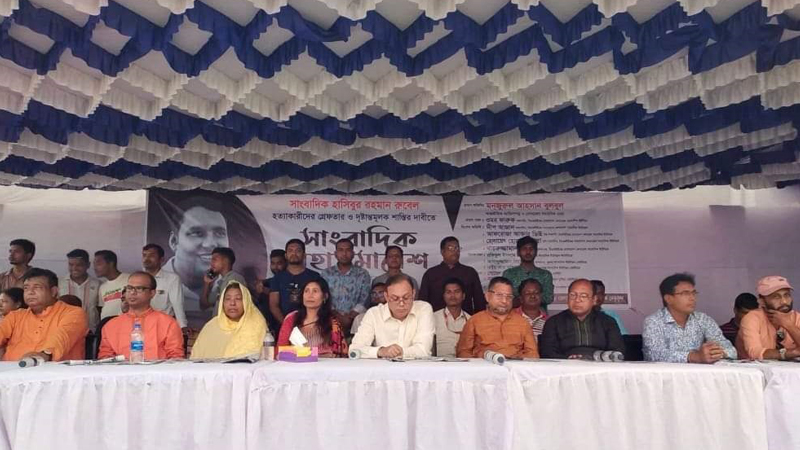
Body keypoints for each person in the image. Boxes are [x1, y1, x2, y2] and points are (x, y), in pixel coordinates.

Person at [643, 273, 736, 363]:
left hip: (701, 373)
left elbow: (731, 351)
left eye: (694, 293)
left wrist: (716, 353)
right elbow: (654, 355)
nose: (692, 298)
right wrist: (694, 357)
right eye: (685, 293)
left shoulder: (703, 319)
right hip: (667, 373)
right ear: (668, 299)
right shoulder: (653, 322)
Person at [0, 268, 88, 361]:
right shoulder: (15, 316)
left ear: (53, 291)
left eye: (37, 287)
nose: (30, 292)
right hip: (12, 368)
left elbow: (62, 338)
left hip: (55, 369)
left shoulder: (73, 313)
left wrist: (44, 354)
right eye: (26, 288)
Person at [162, 198, 230, 311]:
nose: (210, 244)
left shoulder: (235, 286)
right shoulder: (151, 285)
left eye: (220, 233)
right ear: (174, 241)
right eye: (197, 233)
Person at [98, 272, 184, 360]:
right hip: (121, 369)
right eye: (129, 288)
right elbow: (105, 359)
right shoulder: (110, 326)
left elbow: (176, 358)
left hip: (158, 369)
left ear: (152, 293)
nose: (132, 292)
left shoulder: (168, 323)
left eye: (139, 288)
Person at [351, 274, 434, 359]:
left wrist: (402, 352)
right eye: (395, 298)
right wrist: (381, 351)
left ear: (413, 294)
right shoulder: (374, 314)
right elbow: (354, 350)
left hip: (416, 367)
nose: (401, 303)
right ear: (386, 297)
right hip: (383, 367)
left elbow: (424, 350)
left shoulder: (423, 309)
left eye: (406, 297)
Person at [539, 278, 625, 359]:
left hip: (600, 366)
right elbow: (547, 352)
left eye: (583, 296)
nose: (577, 300)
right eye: (573, 295)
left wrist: (596, 359)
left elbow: (617, 351)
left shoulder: (608, 321)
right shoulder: (553, 322)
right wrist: (568, 360)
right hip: (564, 367)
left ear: (594, 300)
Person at [457, 277, 538, 359]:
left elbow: (533, 354)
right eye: (499, 295)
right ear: (487, 296)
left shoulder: (522, 323)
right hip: (484, 365)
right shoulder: (475, 321)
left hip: (515, 366)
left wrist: (514, 360)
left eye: (509, 296)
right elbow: (463, 352)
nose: (504, 301)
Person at [191, 281, 268, 359]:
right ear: (222, 302)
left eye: (238, 298)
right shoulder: (211, 326)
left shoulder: (256, 325)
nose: (232, 303)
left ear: (246, 301)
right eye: (228, 299)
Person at [277, 278, 348, 358]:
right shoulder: (291, 318)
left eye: (315, 291)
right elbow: (280, 351)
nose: (310, 295)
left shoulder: (332, 322)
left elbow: (341, 354)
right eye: (306, 291)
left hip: (325, 365)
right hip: (296, 364)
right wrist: (311, 353)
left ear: (325, 296)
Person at [737, 276, 800, 360]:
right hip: (755, 368)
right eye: (776, 297)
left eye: (787, 295)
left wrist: (788, 325)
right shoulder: (751, 318)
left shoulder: (797, 317)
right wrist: (792, 352)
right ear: (761, 301)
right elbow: (754, 353)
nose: (784, 301)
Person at [418, 237, 486, 314]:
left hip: (466, 319)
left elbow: (479, 301)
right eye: (450, 248)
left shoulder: (470, 272)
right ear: (442, 252)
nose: (454, 251)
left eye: (457, 248)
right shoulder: (430, 274)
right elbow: (423, 303)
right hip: (437, 319)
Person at [321, 239, 371, 331]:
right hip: (330, 321)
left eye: (348, 250)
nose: (344, 254)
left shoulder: (363, 274)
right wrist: (337, 316)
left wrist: (351, 317)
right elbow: (322, 297)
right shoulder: (326, 274)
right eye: (341, 250)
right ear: (335, 254)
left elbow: (365, 298)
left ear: (353, 253)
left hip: (356, 322)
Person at [269, 239, 320, 323]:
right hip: (283, 324)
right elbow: (273, 305)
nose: (294, 254)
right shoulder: (277, 278)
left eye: (298, 251)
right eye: (290, 251)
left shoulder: (314, 276)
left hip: (310, 324)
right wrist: (286, 325)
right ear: (286, 255)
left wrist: (309, 324)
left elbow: (318, 303)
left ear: (304, 255)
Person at [142, 244, 188, 331]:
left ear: (161, 259)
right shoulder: (137, 279)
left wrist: (182, 326)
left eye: (151, 255)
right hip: (140, 326)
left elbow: (177, 304)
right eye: (144, 255)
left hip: (163, 326)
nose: (146, 259)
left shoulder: (172, 279)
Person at [502, 237, 553, 310]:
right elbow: (506, 298)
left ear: (536, 252)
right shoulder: (509, 274)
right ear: (518, 252)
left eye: (531, 249)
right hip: (515, 315)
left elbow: (549, 298)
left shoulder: (545, 275)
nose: (528, 252)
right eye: (524, 249)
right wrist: (534, 297)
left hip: (539, 315)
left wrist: (523, 298)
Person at [60, 249, 101, 333]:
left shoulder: (98, 285)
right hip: (65, 332)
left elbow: (100, 310)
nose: (74, 268)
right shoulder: (59, 283)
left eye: (79, 265)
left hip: (90, 332)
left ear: (88, 265)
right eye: (71, 265)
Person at [200, 247, 246, 314]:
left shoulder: (234, 279)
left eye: (215, 260)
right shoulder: (221, 282)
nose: (211, 263)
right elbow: (204, 305)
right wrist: (207, 283)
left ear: (225, 261)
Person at [434, 278, 471, 357]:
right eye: (448, 292)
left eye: (457, 292)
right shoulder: (433, 318)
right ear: (444, 296)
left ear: (463, 296)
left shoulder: (471, 320)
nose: (452, 296)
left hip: (464, 362)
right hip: (439, 362)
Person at [95, 250, 130, 321]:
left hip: (125, 323)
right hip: (107, 325)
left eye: (98, 264)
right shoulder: (102, 287)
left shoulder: (129, 279)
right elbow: (101, 308)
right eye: (94, 265)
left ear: (111, 263)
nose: (95, 268)